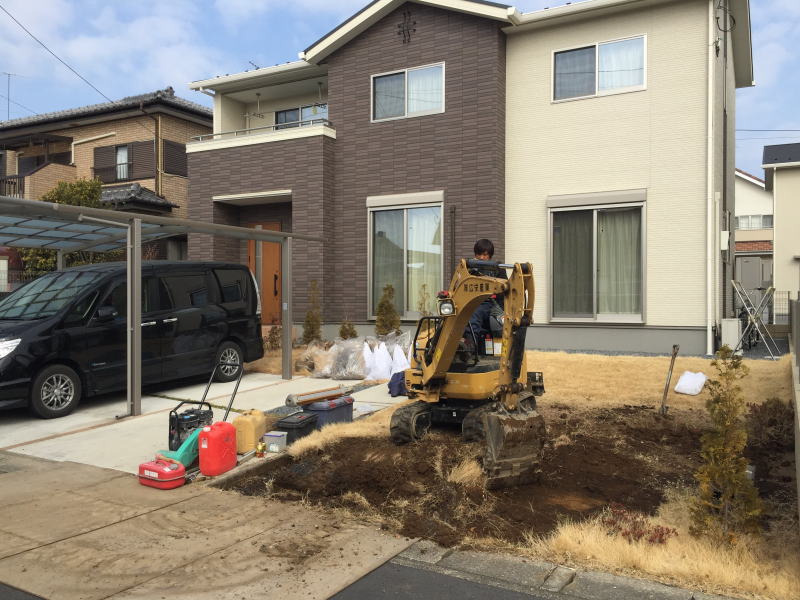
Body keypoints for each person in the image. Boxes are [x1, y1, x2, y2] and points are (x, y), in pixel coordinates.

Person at [466, 239, 506, 355]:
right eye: (479, 254)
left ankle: (470, 348)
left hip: (490, 303)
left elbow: (504, 291)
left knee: (475, 314)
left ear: (490, 255)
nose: (481, 258)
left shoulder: (497, 269)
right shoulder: (469, 269)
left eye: (484, 254)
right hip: (471, 302)